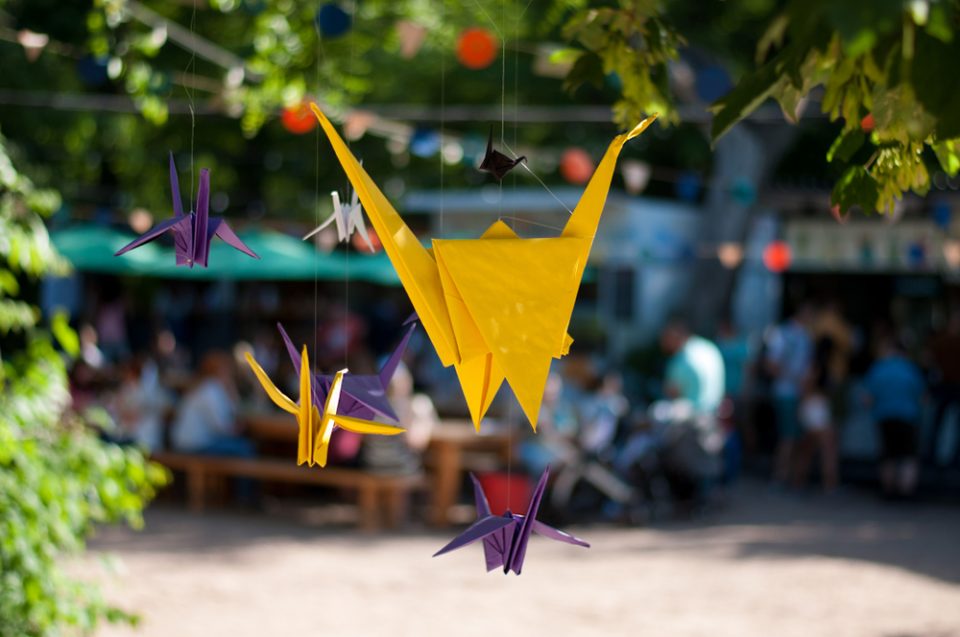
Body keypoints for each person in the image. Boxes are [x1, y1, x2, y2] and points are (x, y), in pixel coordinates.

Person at [863, 338, 926, 499]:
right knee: (908, 456)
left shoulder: (878, 368)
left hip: (884, 417)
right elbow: (922, 397)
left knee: (887, 455)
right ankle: (906, 493)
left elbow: (867, 399)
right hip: (908, 417)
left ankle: (888, 492)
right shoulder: (910, 369)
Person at [765, 304, 814, 485]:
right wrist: (794, 379)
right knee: (788, 436)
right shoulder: (783, 334)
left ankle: (792, 478)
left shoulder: (806, 336)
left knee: (796, 437)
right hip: (786, 393)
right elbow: (770, 365)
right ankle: (781, 477)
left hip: (800, 394)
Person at [360, 362, 437, 474]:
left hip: (371, 466)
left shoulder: (371, 406)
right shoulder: (407, 407)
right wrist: (427, 421)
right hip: (399, 468)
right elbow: (417, 442)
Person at [171, 351, 252, 457]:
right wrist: (232, 392)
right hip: (194, 446)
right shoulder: (211, 389)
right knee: (245, 448)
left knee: (238, 446)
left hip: (182, 442)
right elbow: (222, 428)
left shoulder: (201, 386)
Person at [794, 337, 839, 493]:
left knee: (809, 448)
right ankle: (829, 484)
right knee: (825, 448)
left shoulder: (817, 365)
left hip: (816, 408)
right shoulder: (816, 366)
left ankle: (800, 481)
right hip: (815, 408)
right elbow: (805, 387)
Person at [660, 318, 725, 417]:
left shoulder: (681, 358)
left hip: (693, 416)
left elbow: (672, 392)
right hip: (716, 412)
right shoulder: (708, 347)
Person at [926, 311, 960, 466]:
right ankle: (948, 457)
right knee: (938, 422)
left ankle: (932, 455)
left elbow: (927, 360)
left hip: (945, 386)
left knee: (937, 422)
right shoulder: (942, 341)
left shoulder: (940, 340)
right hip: (948, 386)